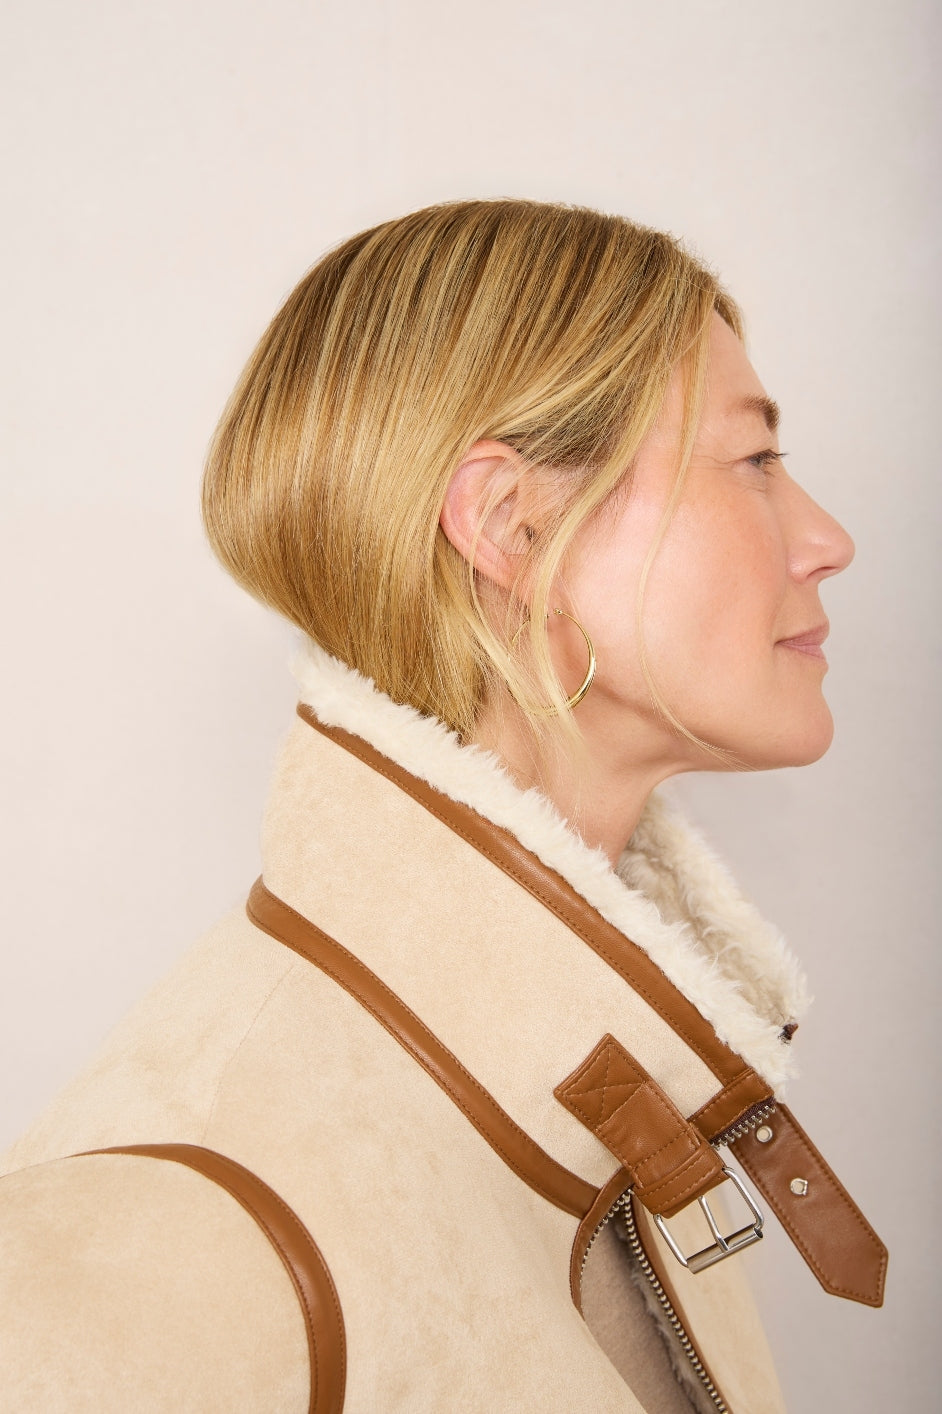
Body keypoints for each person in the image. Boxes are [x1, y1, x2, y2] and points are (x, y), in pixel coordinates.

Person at [0, 199, 885, 1413]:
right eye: (753, 461)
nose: (828, 539)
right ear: (511, 527)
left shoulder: (627, 1103)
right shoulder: (176, 1245)